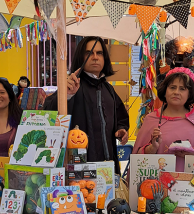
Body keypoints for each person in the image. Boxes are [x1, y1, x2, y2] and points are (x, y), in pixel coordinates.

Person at [43, 36, 129, 174]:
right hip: (78, 172)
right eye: (89, 53)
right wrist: (66, 95)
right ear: (80, 57)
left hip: (107, 170)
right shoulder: (72, 86)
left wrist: (121, 129)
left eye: (99, 53)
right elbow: (49, 115)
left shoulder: (109, 89)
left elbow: (121, 118)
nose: (95, 57)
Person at [133, 67, 194, 172]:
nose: (176, 92)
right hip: (158, 185)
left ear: (189, 93)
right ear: (165, 91)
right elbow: (137, 159)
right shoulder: (151, 119)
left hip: (193, 184)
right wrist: (152, 148)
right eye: (172, 87)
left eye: (182, 89)